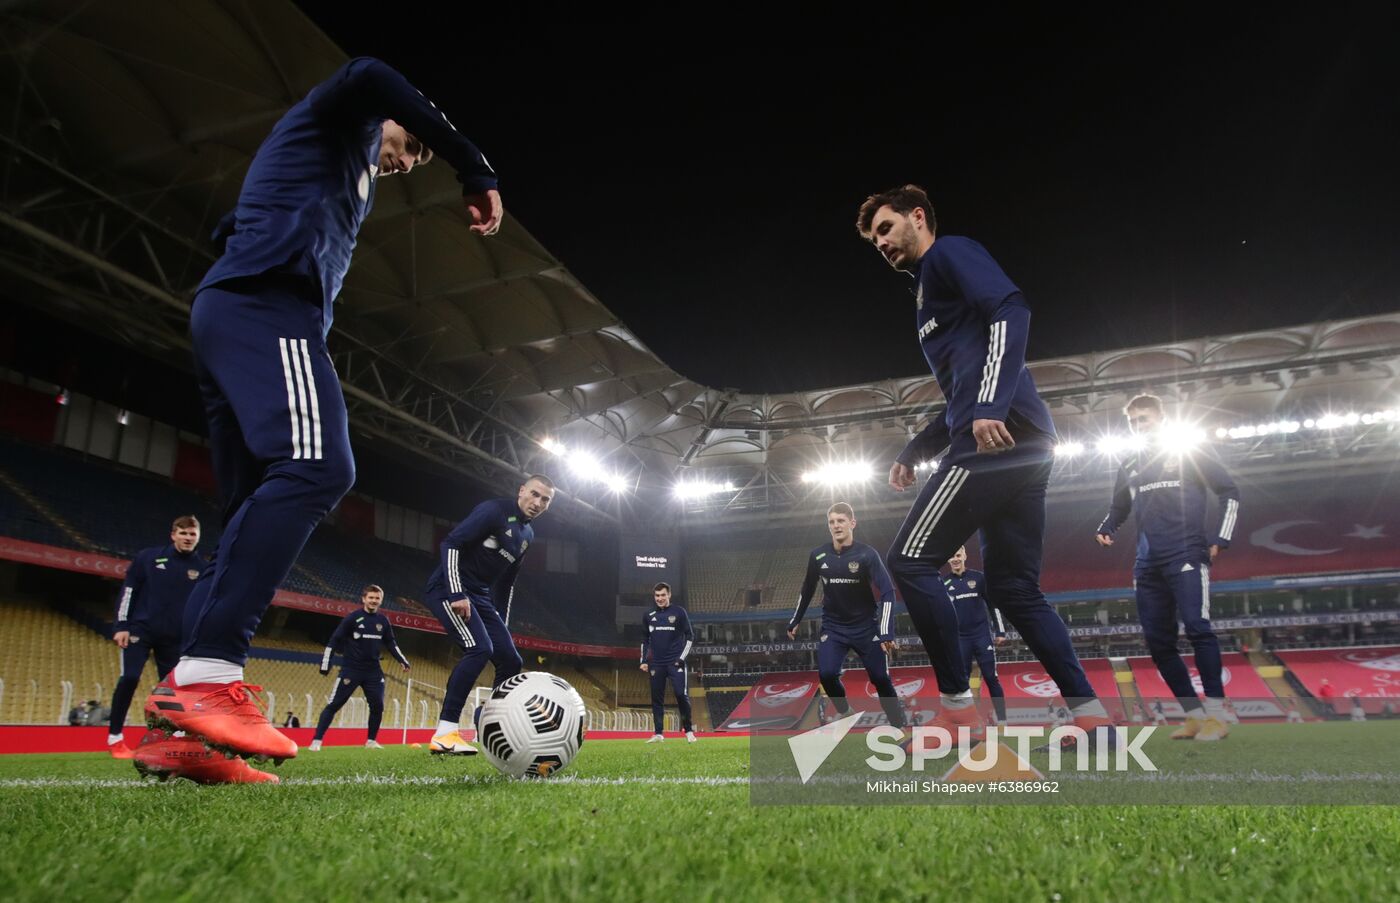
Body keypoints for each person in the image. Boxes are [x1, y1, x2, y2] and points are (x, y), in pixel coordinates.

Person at [139, 57, 503, 783]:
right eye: (412, 143)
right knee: (319, 466)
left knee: (247, 515)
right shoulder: (346, 116)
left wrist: (241, 230)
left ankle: (179, 737)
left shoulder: (339, 169)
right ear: (393, 117)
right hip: (267, 308)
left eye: (419, 157)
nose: (409, 159)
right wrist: (470, 160)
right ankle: (208, 677)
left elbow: (268, 208)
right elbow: (371, 73)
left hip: (233, 308)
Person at [856, 185, 1110, 745]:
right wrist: (915, 450)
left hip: (999, 436)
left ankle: (957, 711)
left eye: (886, 228)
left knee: (910, 562)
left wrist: (990, 405)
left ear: (917, 217)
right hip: (1024, 440)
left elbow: (1010, 308)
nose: (880, 243)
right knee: (1015, 590)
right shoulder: (924, 291)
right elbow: (959, 391)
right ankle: (1090, 713)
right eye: (873, 238)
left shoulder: (948, 254)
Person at [1096, 393, 1241, 742]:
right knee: (1158, 643)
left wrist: (1221, 536)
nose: (1138, 425)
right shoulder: (1130, 462)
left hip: (1186, 553)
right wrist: (1106, 526)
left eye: (1144, 418)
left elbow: (1229, 491)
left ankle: (1217, 717)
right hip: (1147, 563)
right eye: (1132, 421)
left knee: (1197, 628)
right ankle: (1193, 717)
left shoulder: (1188, 452)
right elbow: (1119, 507)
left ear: (1161, 418)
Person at [425, 476, 553, 755]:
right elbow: (451, 544)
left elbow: (506, 583)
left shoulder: (527, 536)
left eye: (545, 500)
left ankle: (489, 724)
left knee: (510, 659)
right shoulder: (493, 510)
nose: (537, 502)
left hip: (481, 597)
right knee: (479, 649)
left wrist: (502, 625)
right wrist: (457, 593)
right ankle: (445, 734)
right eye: (534, 494)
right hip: (448, 588)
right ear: (521, 490)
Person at [788, 503, 908, 733]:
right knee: (827, 674)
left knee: (881, 678)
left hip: (866, 627)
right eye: (832, 522)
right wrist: (796, 619)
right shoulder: (818, 555)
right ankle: (844, 712)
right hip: (834, 627)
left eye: (841, 521)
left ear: (852, 523)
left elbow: (887, 591)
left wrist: (885, 632)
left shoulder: (867, 554)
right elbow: (807, 589)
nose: (836, 526)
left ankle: (898, 725)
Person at [107, 516, 204, 759]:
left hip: (176, 638)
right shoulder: (148, 558)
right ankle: (115, 737)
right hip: (141, 630)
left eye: (192, 534)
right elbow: (129, 590)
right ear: (173, 534)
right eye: (183, 533)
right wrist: (121, 625)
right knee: (129, 677)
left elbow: (203, 605)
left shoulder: (202, 567)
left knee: (174, 691)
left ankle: (174, 736)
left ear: (198, 537)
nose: (187, 538)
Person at [308, 585, 409, 751]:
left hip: (373, 671)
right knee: (334, 704)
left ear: (380, 601)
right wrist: (326, 663)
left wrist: (402, 660)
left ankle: (371, 741)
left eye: (377, 598)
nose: (373, 601)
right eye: (371, 597)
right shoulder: (352, 618)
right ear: (364, 599)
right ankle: (316, 741)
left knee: (378, 706)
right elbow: (334, 640)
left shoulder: (383, 621)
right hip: (351, 670)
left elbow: (391, 642)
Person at [942, 546, 1008, 724]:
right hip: (960, 639)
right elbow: (941, 614)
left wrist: (1000, 631)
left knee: (990, 677)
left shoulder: (979, 578)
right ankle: (969, 720)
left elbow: (993, 605)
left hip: (981, 636)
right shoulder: (943, 583)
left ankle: (1002, 720)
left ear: (964, 555)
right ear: (947, 560)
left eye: (957, 555)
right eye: (951, 556)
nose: (955, 559)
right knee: (962, 683)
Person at [640, 583, 697, 743]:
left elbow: (690, 636)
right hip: (656, 663)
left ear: (669, 595)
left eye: (663, 595)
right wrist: (643, 660)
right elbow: (645, 639)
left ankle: (689, 731)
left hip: (675, 662)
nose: (660, 598)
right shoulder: (648, 615)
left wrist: (681, 658)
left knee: (680, 694)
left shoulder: (679, 612)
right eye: (657, 596)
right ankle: (658, 733)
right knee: (656, 698)